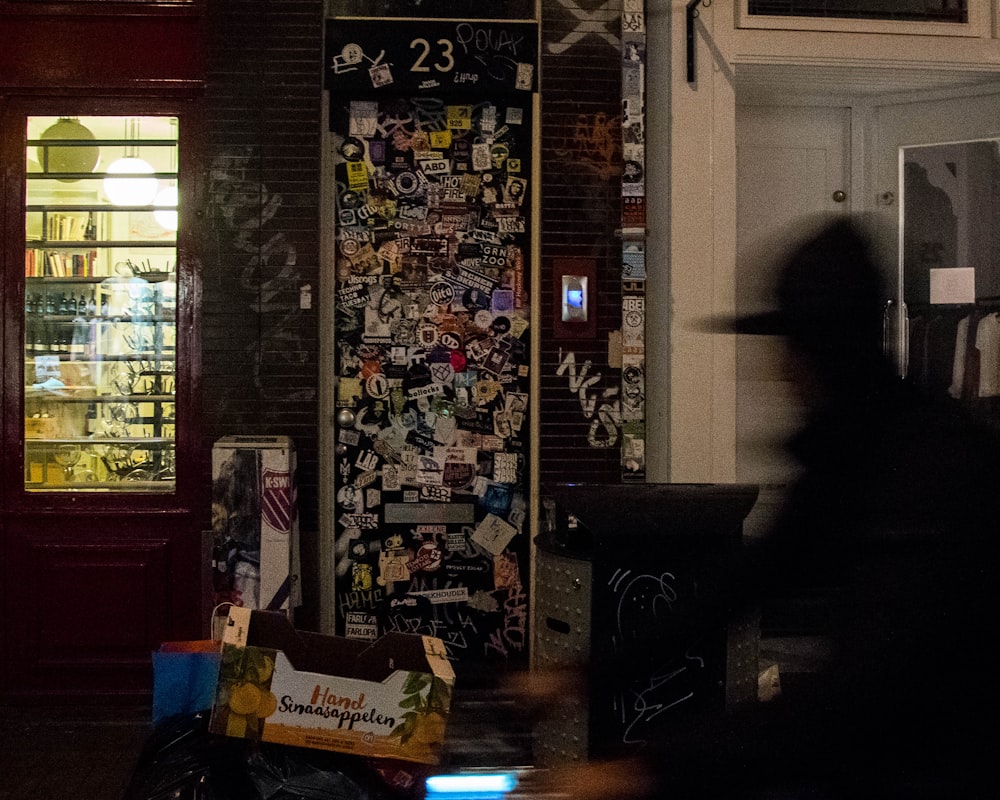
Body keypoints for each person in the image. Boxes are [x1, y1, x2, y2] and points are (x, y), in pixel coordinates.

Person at [529, 216, 1000, 799]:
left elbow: (860, 699)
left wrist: (646, 771)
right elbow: (744, 584)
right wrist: (582, 678)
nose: (777, 368)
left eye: (787, 345)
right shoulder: (855, 453)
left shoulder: (924, 470)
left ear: (818, 352)